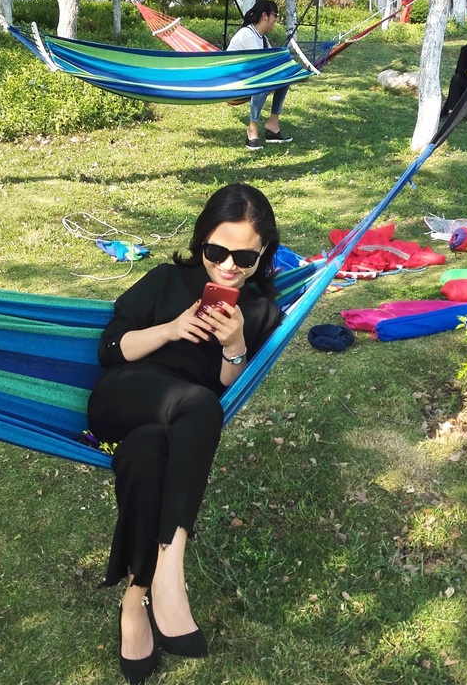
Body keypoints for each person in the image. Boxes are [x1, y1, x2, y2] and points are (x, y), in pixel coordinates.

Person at [87, 183, 283, 684]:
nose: (229, 266)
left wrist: (235, 345)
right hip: (122, 397)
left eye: (245, 258)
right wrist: (171, 329)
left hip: (175, 429)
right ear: (201, 242)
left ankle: (136, 598)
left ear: (263, 254)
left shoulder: (260, 312)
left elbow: (231, 387)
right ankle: (170, 570)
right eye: (217, 252)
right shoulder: (165, 280)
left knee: (147, 454)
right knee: (197, 402)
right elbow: (110, 349)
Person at [227, 0, 293, 150]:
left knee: (286, 76)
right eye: (275, 15)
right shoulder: (248, 35)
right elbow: (262, 67)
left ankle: (272, 125)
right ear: (265, 15)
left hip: (248, 79)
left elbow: (272, 61)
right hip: (233, 85)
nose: (276, 19)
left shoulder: (261, 37)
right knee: (264, 78)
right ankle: (252, 127)